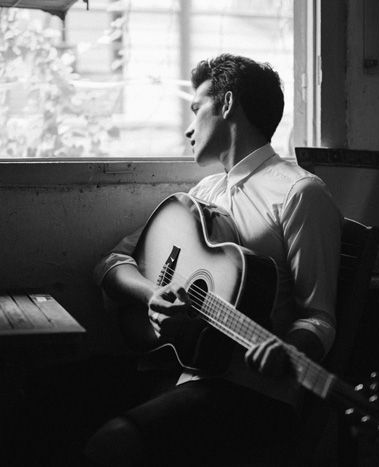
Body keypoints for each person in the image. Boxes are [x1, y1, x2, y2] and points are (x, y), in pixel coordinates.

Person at [85, 53, 343, 467]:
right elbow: (111, 263)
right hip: (184, 368)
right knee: (44, 393)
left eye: (195, 109)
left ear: (226, 105)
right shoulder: (203, 195)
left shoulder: (299, 194)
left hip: (254, 393)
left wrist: (288, 348)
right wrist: (155, 294)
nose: (188, 128)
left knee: (114, 444)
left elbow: (320, 317)